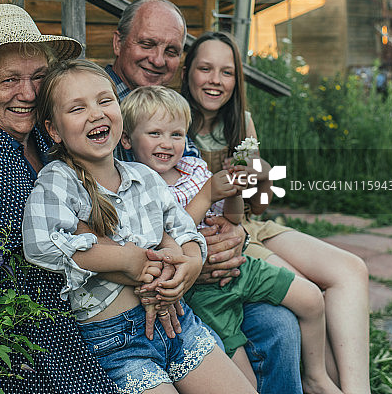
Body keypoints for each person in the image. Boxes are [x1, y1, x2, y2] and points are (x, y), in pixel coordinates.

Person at [22, 59, 258, 394]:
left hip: (178, 324)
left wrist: (188, 264)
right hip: (117, 343)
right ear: (54, 130)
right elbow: (41, 245)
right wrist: (126, 261)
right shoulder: (60, 181)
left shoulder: (144, 177)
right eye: (77, 108)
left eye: (105, 101)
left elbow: (183, 230)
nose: (96, 113)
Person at [106, 0, 303, 394]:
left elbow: (227, 198)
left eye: (171, 50)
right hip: (158, 278)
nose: (159, 59)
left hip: (208, 255)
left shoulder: (176, 111)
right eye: (147, 44)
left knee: (286, 321)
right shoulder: (105, 104)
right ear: (118, 43)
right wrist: (201, 252)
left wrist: (235, 232)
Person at [0, 4, 120, 394]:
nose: (29, 93)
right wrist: (138, 261)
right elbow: (46, 237)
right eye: (9, 80)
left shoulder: (43, 134)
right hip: (19, 331)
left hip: (82, 305)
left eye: (39, 77)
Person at [121, 86, 346, 394]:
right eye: (155, 133)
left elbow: (233, 219)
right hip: (203, 295)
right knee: (245, 384)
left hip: (238, 268)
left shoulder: (194, 168)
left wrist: (234, 193)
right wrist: (208, 193)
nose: (167, 143)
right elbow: (168, 237)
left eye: (176, 134)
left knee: (310, 298)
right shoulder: (134, 184)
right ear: (127, 139)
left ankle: (316, 378)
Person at [181, 31, 372, 394]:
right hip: (219, 232)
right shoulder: (172, 124)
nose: (215, 80)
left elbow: (259, 206)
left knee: (351, 269)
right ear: (188, 71)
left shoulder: (241, 122)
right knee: (310, 289)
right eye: (205, 69)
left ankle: (356, 389)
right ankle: (320, 382)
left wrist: (262, 176)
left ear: (236, 79)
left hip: (250, 223)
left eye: (226, 72)